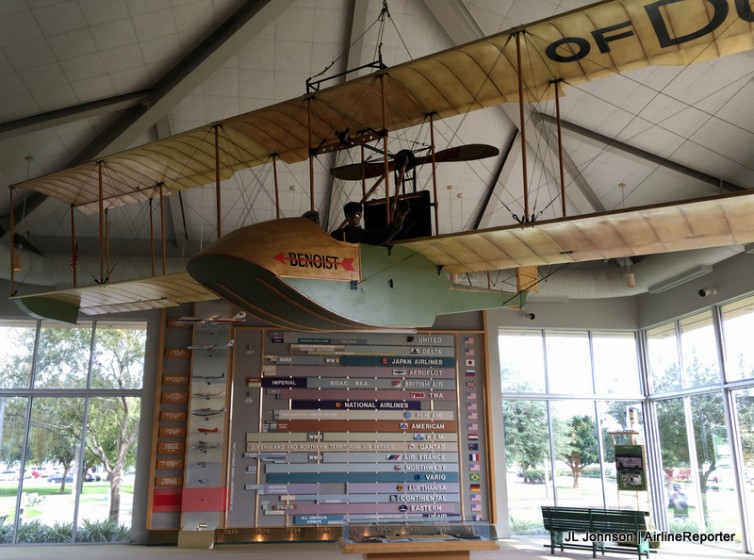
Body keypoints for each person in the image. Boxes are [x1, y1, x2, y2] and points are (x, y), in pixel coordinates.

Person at [330, 201, 408, 244]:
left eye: (357, 215)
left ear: (360, 216)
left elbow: (383, 237)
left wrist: (400, 218)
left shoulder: (365, 235)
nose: (354, 218)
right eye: (350, 215)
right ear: (346, 217)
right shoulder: (336, 235)